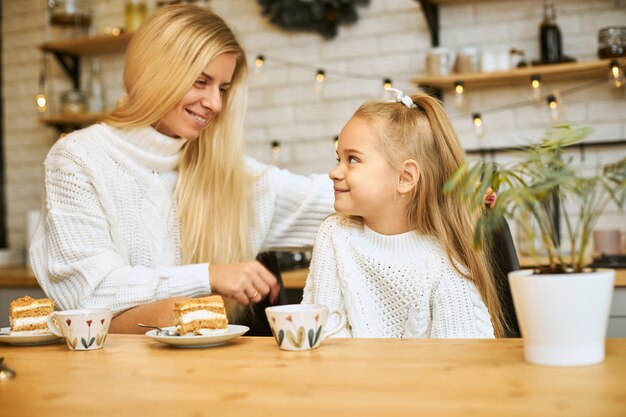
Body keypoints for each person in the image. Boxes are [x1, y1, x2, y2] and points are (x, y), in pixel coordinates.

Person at [29, 4, 334, 333]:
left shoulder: (230, 174)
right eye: (201, 82)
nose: (215, 104)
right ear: (157, 73)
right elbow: (88, 293)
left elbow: (330, 200)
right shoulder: (77, 158)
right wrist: (208, 275)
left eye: (223, 89)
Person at [302, 89, 505, 338]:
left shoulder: (443, 262)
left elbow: (463, 358)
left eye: (352, 159)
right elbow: (322, 332)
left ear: (404, 178)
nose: (334, 172)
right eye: (338, 159)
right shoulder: (334, 235)